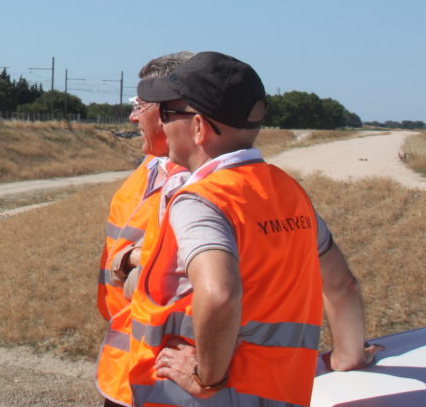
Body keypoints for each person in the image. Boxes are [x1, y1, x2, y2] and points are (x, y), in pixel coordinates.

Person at [128, 52, 376, 407]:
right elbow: (342, 286)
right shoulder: (289, 192)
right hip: (283, 392)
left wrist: (206, 377)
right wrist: (348, 356)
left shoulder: (201, 200)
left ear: (198, 128)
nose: (162, 125)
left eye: (167, 113)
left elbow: (220, 294)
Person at [95, 52, 192, 407]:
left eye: (140, 104)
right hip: (128, 358)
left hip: (171, 372)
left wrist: (135, 257)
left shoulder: (206, 183)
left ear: (172, 107)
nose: (133, 116)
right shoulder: (148, 168)